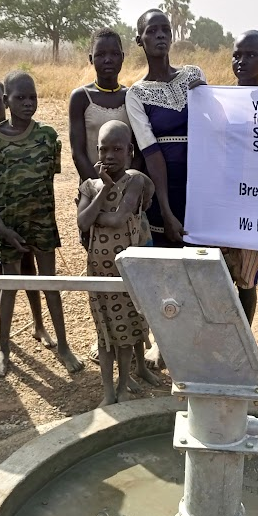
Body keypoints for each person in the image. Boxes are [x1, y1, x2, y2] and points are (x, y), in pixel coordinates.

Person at [0, 71, 84, 378]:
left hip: (42, 224)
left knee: (49, 284)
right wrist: (0, 227)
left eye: (32, 97)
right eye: (20, 98)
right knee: (9, 286)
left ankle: (63, 346)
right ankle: (4, 348)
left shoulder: (48, 136)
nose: (28, 104)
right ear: (6, 101)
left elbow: (47, 180)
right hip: (8, 226)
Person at [126, 9, 206, 369]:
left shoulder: (194, 76)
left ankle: (200, 338)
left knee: (201, 267)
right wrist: (168, 208)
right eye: (151, 30)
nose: (160, 35)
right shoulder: (137, 93)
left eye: (165, 29)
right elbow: (152, 153)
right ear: (139, 39)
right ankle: (164, 340)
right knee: (168, 267)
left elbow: (213, 125)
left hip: (203, 186)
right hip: (167, 191)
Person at [69, 26, 149, 369]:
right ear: (91, 58)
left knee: (134, 277)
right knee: (101, 270)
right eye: (100, 54)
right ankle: (105, 339)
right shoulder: (80, 97)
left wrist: (127, 190)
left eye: (113, 53)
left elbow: (140, 148)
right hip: (95, 194)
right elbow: (77, 152)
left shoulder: (132, 97)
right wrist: (101, 189)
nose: (107, 60)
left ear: (122, 56)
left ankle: (139, 357)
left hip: (127, 196)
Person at [0, 78, 55, 353]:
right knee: (4, 274)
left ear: (5, 101)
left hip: (26, 216)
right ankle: (2, 335)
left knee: (29, 268)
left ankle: (39, 323)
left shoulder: (34, 135)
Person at [77, 121, 159, 405]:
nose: (109, 155)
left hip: (127, 274)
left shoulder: (134, 182)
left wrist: (95, 214)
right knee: (104, 332)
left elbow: (114, 219)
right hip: (98, 272)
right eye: (104, 149)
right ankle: (108, 392)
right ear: (96, 150)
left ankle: (123, 385)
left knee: (127, 330)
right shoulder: (90, 185)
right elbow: (81, 222)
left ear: (129, 152)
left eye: (117, 149)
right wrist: (103, 190)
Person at [225, 30, 258, 325]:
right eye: (237, 55)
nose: (242, 61)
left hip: (254, 209)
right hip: (221, 206)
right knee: (220, 278)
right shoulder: (218, 101)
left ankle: (244, 346)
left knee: (247, 282)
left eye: (251, 55)